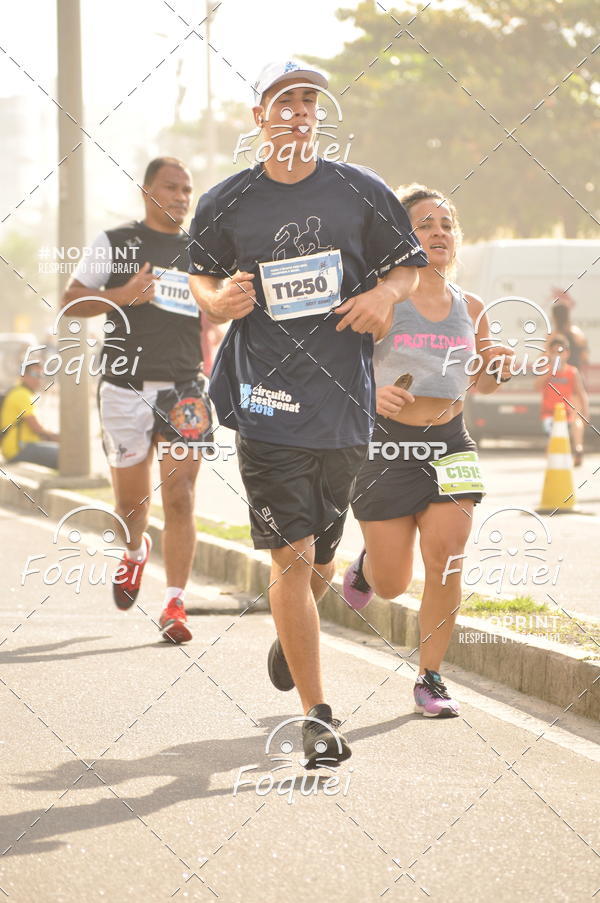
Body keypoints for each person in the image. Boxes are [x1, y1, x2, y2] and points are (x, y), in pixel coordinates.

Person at [188, 60, 427, 766]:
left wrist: (387, 296)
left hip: (344, 404)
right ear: (260, 114)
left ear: (319, 115)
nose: (298, 110)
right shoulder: (229, 200)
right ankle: (318, 719)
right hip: (264, 400)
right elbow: (198, 276)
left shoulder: (360, 190)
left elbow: (406, 263)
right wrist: (217, 298)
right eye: (284, 99)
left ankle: (292, 632)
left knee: (320, 557)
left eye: (309, 100)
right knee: (290, 557)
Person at [344, 184, 513, 718]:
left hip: (449, 442)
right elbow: (337, 370)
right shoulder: (381, 296)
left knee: (447, 559)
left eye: (446, 224)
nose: (438, 232)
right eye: (424, 224)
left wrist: (498, 367)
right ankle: (369, 570)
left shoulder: (473, 306)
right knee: (394, 585)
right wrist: (372, 393)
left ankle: (431, 677)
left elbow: (481, 385)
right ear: (402, 237)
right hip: (385, 446)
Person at [62, 157, 212, 643]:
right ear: (146, 191)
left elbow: (222, 307)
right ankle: (134, 551)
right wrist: (125, 293)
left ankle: (174, 605)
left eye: (187, 189)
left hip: (185, 388)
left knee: (181, 496)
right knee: (132, 503)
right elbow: (71, 301)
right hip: (124, 388)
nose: (182, 197)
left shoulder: (202, 249)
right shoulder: (116, 243)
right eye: (172, 188)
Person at [538, 335, 588, 464]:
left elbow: (581, 393)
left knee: (577, 424)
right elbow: (536, 385)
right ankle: (554, 455)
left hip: (566, 413)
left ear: (567, 353)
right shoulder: (546, 370)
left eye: (560, 352)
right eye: (554, 352)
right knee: (554, 439)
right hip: (549, 414)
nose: (558, 355)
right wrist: (551, 370)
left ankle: (578, 449)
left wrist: (585, 413)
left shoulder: (572, 372)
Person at [0, 361, 59, 468]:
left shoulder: (18, 392)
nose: (38, 379)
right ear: (23, 376)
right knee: (63, 454)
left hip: (19, 447)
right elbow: (36, 428)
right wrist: (58, 437)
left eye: (41, 375)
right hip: (19, 448)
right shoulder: (22, 395)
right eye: (34, 375)